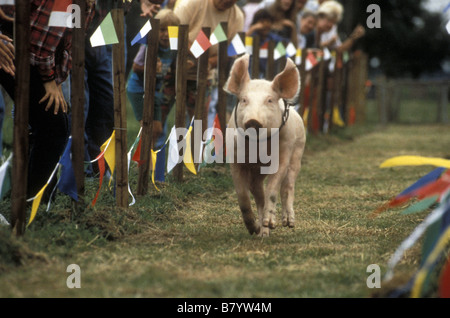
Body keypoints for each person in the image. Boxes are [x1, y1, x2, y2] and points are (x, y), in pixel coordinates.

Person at [0, 0, 94, 199]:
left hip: (36, 57)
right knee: (53, 125)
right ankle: (30, 199)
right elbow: (40, 42)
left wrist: (57, 80)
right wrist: (49, 79)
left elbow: (70, 45)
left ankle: (29, 194)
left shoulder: (88, 4)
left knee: (55, 122)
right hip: (15, 48)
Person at [174, 0, 244, 121]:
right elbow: (173, 32)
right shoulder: (192, 3)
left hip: (205, 71)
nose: (227, 2)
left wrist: (209, 62)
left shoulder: (238, 17)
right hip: (174, 63)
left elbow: (230, 52)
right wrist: (197, 56)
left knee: (199, 120)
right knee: (159, 117)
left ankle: (193, 140)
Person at [127, 8, 179, 146]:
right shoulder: (148, 46)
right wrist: (151, 69)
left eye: (170, 31)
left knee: (157, 129)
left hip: (155, 91)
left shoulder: (173, 48)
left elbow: (173, 67)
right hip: (138, 90)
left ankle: (149, 157)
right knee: (147, 127)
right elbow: (136, 67)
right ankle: (143, 160)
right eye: (162, 30)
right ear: (155, 30)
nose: (166, 35)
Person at [246, 9, 284, 78]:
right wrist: (252, 29)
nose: (265, 24)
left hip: (270, 74)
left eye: (268, 21)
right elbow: (240, 44)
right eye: (262, 22)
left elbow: (284, 52)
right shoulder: (251, 36)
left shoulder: (275, 39)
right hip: (251, 73)